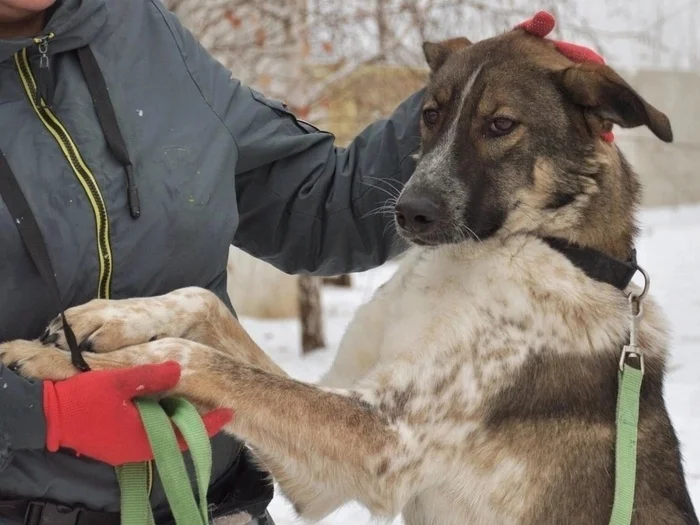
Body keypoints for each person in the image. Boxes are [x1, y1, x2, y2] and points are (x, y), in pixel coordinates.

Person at [0, 2, 598, 524]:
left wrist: (464, 94)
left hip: (215, 503)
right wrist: (39, 414)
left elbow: (316, 205)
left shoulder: (141, 30)